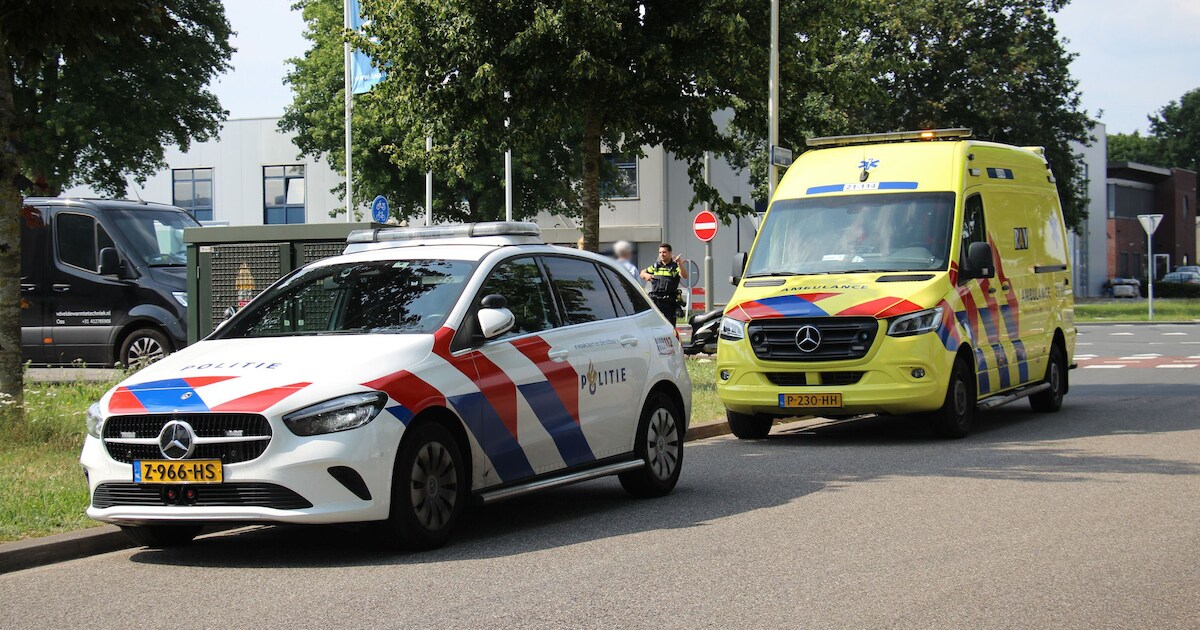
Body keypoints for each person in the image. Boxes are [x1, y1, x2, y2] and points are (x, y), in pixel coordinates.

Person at [641, 243, 689, 322]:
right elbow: (642, 273)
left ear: (670, 253)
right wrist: (646, 275)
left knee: (670, 327)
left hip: (669, 303)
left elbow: (685, 275)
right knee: (654, 325)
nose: (662, 254)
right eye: (660, 252)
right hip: (656, 301)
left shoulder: (675, 267)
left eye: (664, 252)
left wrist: (679, 264)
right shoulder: (656, 266)